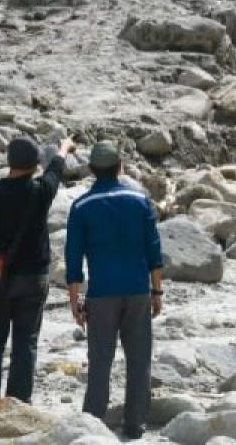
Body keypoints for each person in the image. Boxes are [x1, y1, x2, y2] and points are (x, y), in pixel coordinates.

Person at [65, 141, 164, 440]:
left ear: (92, 170)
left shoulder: (81, 206)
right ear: (120, 166)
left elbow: (73, 257)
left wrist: (74, 300)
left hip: (102, 293)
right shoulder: (139, 200)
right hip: (137, 290)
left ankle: (92, 423)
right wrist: (157, 291)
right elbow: (154, 250)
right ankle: (134, 426)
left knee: (100, 361)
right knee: (139, 360)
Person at [0, 136, 74, 403]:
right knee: (26, 343)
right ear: (35, 164)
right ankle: (18, 403)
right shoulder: (41, 191)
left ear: (9, 162)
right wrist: (63, 148)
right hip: (33, 279)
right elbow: (56, 170)